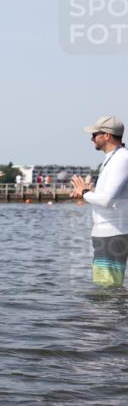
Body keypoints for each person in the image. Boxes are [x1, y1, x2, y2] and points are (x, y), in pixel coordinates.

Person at [71, 115, 128, 287]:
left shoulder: (121, 159)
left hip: (113, 232)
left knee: (107, 289)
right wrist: (89, 192)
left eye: (95, 134)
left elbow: (107, 201)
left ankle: (110, 315)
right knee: (108, 287)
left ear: (107, 135)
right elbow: (113, 195)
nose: (91, 138)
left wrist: (85, 192)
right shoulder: (114, 158)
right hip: (110, 232)